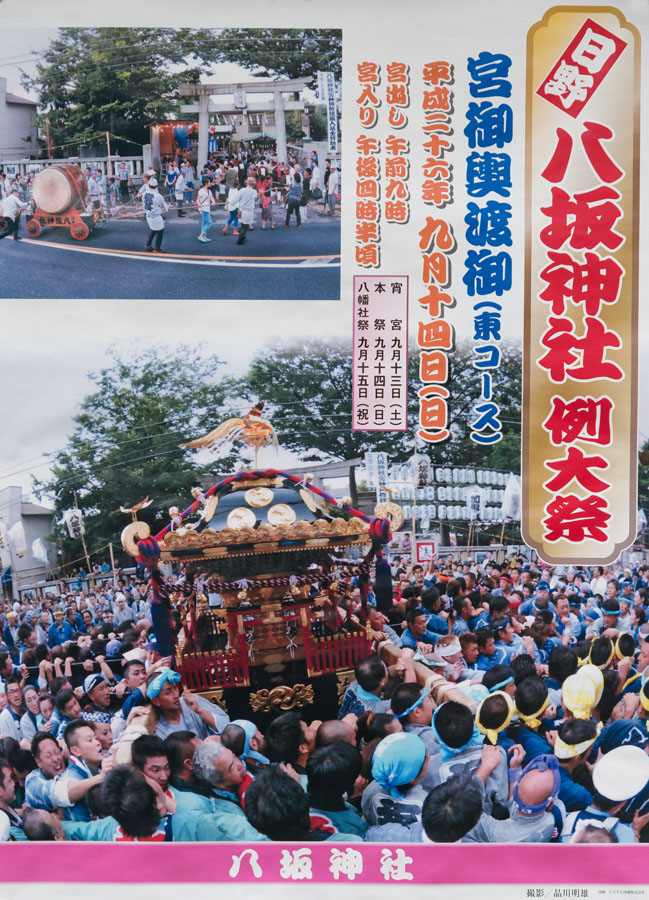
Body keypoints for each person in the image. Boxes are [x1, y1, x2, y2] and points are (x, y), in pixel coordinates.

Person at [142, 177, 168, 254]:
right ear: (156, 186)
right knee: (160, 231)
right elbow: (165, 208)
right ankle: (157, 249)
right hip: (155, 216)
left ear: (149, 185)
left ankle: (148, 244)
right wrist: (167, 206)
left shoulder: (144, 194)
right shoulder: (158, 196)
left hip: (148, 216)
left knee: (154, 229)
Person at [236, 177, 258, 245]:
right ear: (253, 184)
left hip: (241, 210)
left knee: (243, 224)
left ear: (247, 183)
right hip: (248, 211)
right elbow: (256, 199)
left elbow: (235, 198)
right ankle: (240, 240)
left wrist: (230, 203)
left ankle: (242, 235)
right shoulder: (254, 192)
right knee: (245, 226)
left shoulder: (242, 190)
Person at [196, 177, 216, 242]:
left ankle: (204, 237)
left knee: (204, 223)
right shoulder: (201, 191)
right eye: (209, 182)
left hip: (207, 209)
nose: (210, 183)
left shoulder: (209, 191)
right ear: (206, 183)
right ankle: (201, 235)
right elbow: (197, 200)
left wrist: (213, 202)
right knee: (209, 223)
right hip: (203, 209)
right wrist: (199, 204)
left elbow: (212, 198)